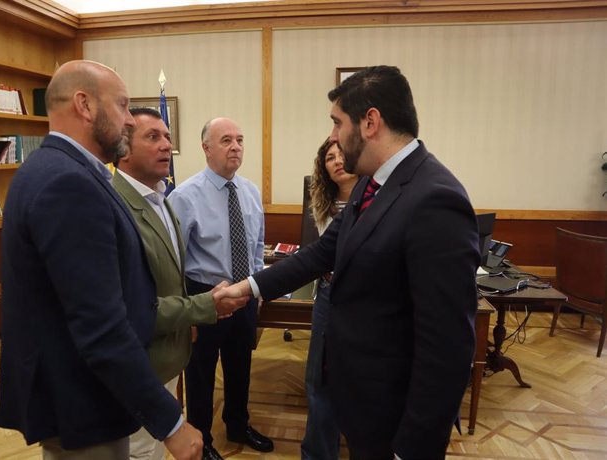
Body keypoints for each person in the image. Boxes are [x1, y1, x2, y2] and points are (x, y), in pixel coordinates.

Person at [220, 66, 480, 459]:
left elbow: (447, 347)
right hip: (363, 404)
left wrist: (411, 449)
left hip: (396, 422)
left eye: (337, 123)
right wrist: (249, 287)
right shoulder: (373, 183)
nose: (333, 136)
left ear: (370, 122)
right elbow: (323, 252)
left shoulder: (435, 198)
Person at [0, 60, 202, 460]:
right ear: (85, 105)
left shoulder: (47, 168)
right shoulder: (69, 183)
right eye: (123, 105)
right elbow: (100, 325)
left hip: (74, 391)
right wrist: (171, 423)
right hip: (84, 398)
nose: (128, 120)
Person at [112, 107, 248, 459]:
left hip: (196, 320)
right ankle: (206, 439)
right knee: (144, 444)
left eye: (168, 138)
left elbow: (174, 265)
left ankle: (238, 424)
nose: (166, 147)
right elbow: (135, 297)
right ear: (123, 149)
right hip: (166, 329)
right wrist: (196, 311)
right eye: (153, 137)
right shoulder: (173, 197)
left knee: (154, 442)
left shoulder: (160, 200)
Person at [168, 118, 273, 459]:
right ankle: (202, 440)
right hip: (204, 296)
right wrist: (188, 310)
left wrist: (255, 288)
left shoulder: (251, 191)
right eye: (226, 140)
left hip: (243, 294)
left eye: (240, 140)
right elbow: (175, 260)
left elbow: (257, 244)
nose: (236, 147)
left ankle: (238, 424)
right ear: (206, 148)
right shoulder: (185, 195)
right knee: (200, 374)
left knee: (240, 364)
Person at [301, 139, 358, 460]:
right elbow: (321, 255)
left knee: (355, 380)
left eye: (341, 154)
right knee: (317, 378)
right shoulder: (324, 202)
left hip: (361, 300)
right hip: (327, 293)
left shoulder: (379, 200)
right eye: (329, 158)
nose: (336, 161)